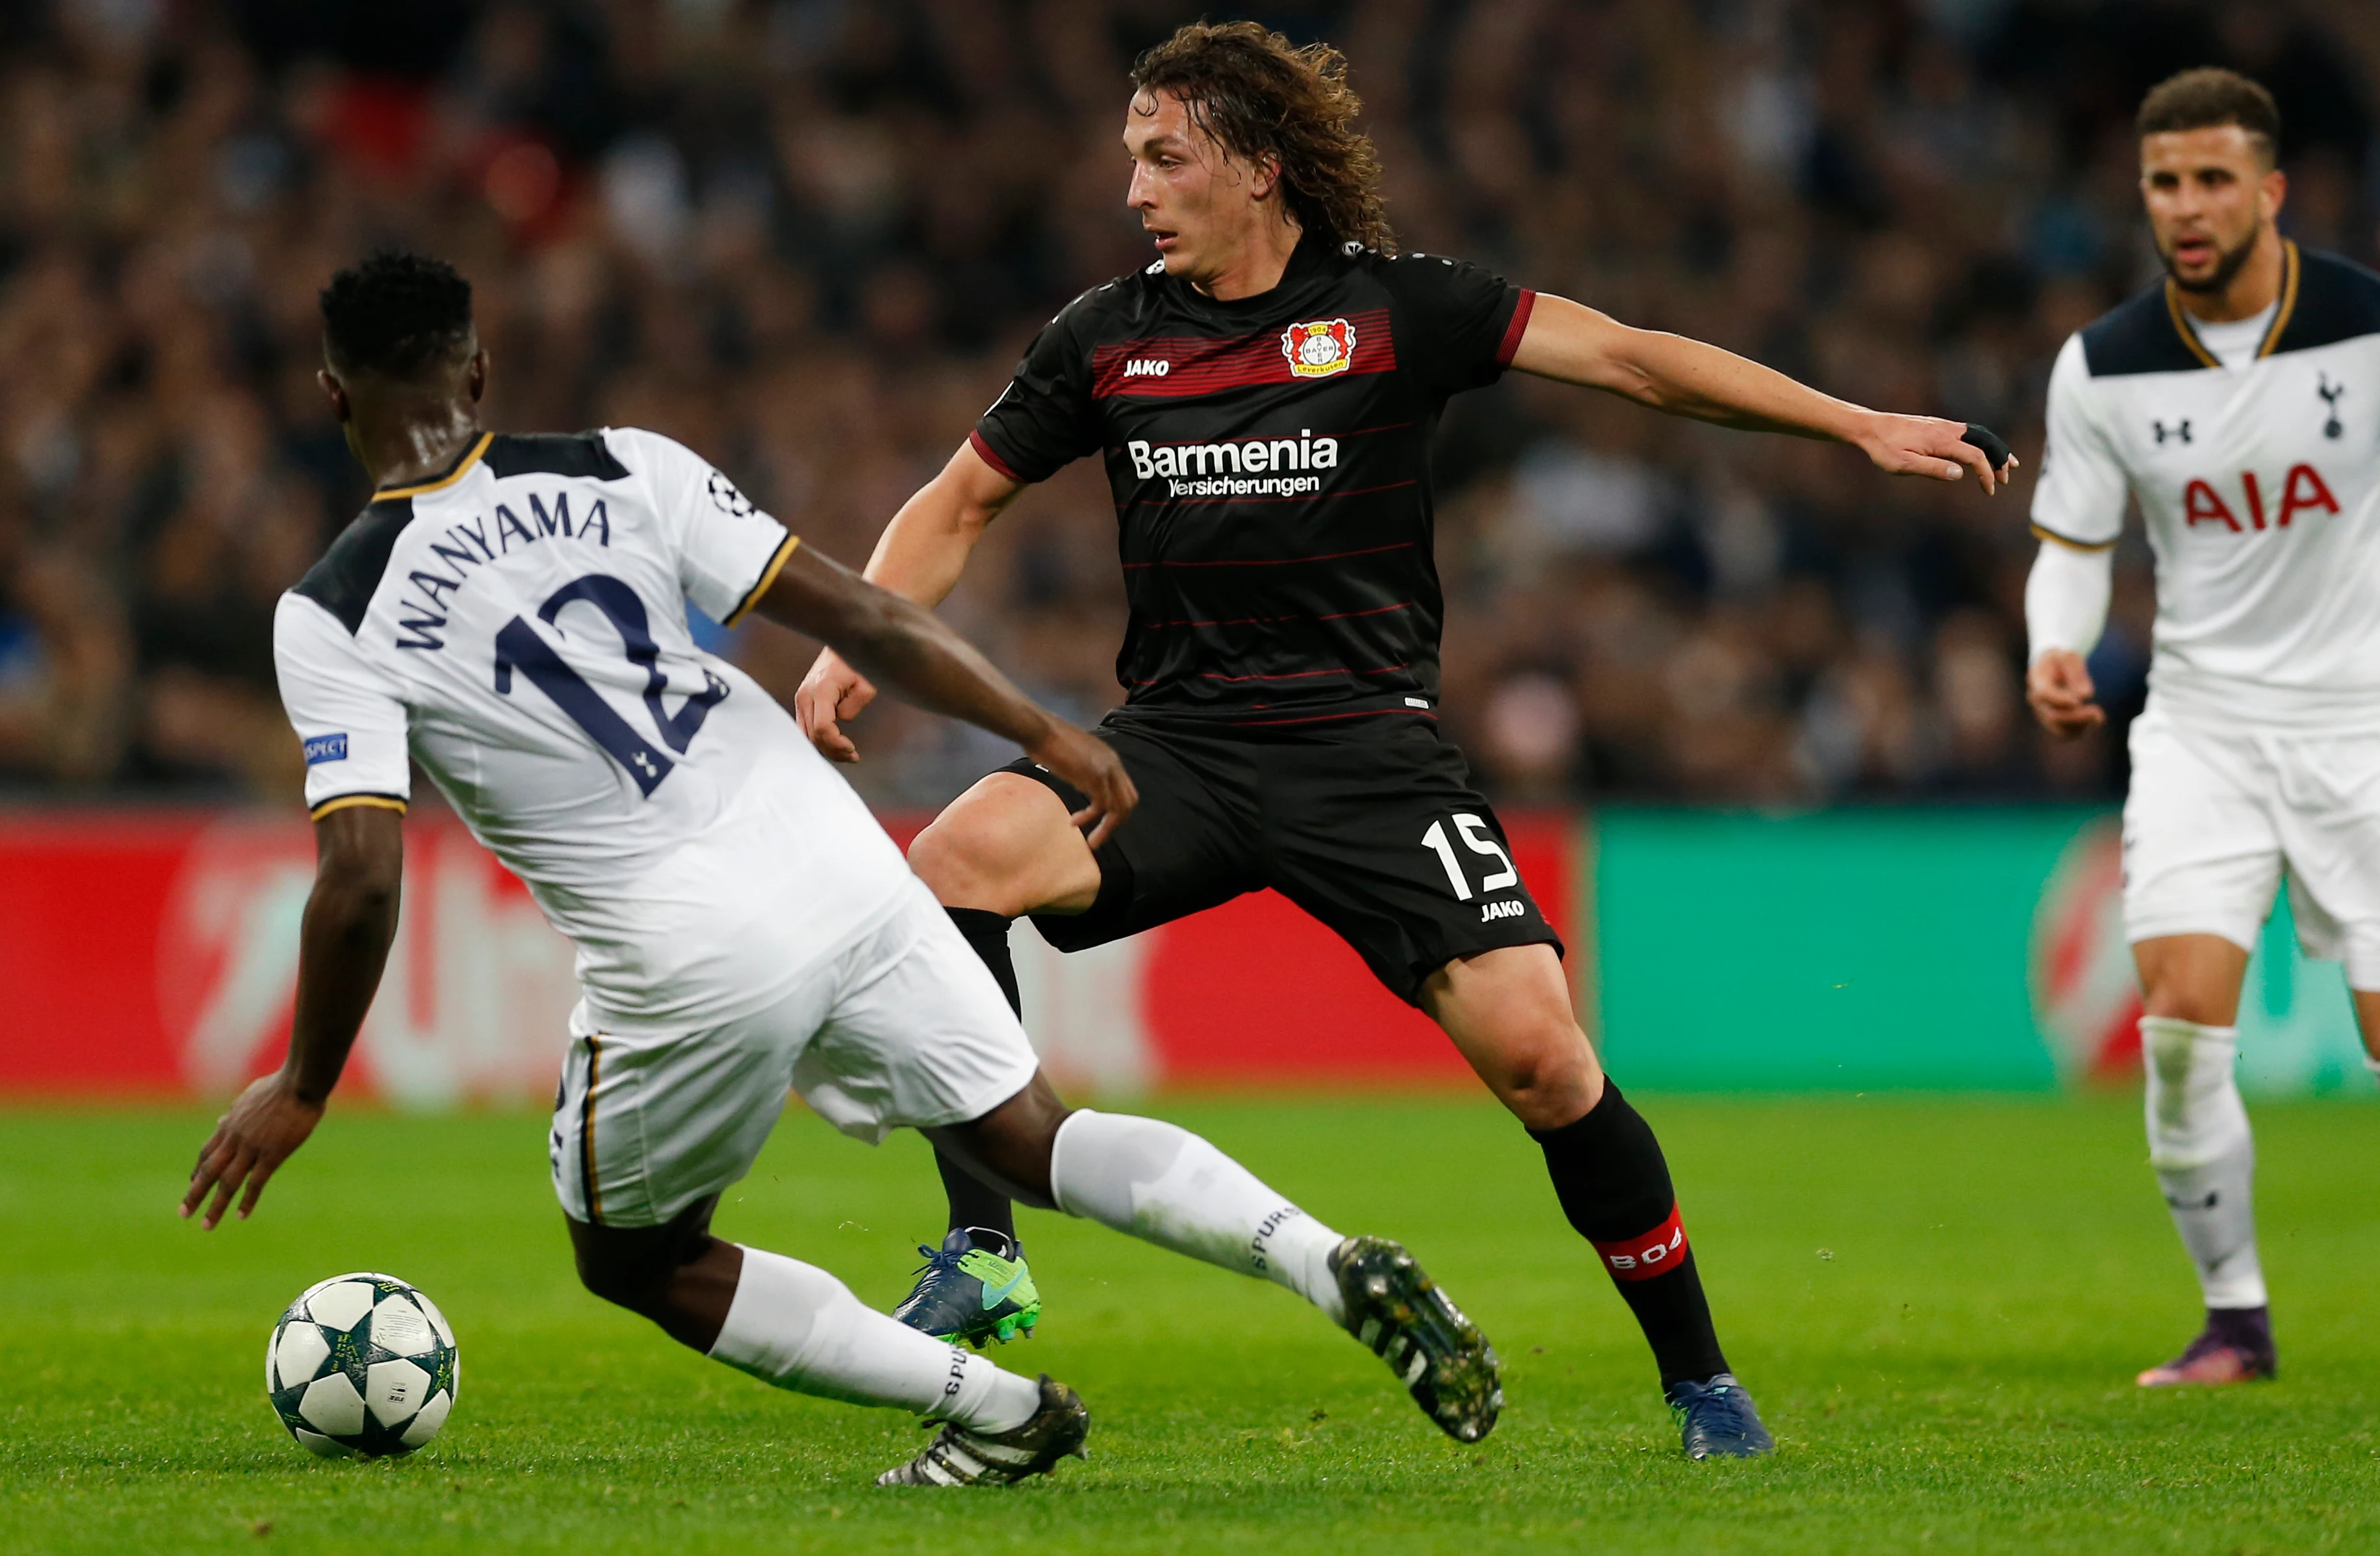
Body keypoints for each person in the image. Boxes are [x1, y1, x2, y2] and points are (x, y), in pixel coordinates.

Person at [792, 20, 2015, 1460]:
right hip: (1174, 750)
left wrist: (1853, 423)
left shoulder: (1392, 310)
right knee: (954, 862)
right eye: (1131, 156)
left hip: (1371, 757)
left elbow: (1628, 360)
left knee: (1544, 1065)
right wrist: (850, 637)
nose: (1134, 187)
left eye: (1163, 155)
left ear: (1254, 166)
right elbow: (953, 505)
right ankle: (986, 1247)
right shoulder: (1104, 337)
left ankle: (1700, 1382)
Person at [178, 251, 1504, 1487]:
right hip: (835, 854)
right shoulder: (621, 467)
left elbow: (360, 877)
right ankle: (1324, 1261)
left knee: (637, 1256)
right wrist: (1041, 729)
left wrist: (301, 1087)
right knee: (1032, 1140)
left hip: (689, 942)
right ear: (476, 374)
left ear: (331, 396)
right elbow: (865, 612)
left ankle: (994, 1414)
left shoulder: (335, 612)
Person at [2022, 69, 2380, 1386]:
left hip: (2366, 728)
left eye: (2209, 180)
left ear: (2268, 192)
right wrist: (2051, 644)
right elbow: (2072, 546)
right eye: (2161, 183)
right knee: (2179, 1020)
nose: (2184, 207)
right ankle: (2233, 1322)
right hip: (2200, 729)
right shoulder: (2100, 367)